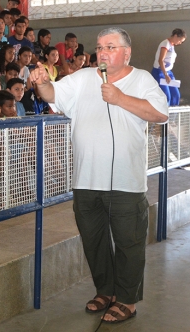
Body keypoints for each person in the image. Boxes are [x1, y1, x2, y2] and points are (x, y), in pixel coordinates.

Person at [30, 27, 168, 323]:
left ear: (126, 53)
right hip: (85, 179)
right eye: (100, 47)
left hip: (125, 181)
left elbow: (160, 113)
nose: (103, 52)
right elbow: (53, 93)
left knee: (129, 242)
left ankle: (127, 300)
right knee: (94, 240)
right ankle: (105, 290)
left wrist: (119, 98)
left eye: (110, 46)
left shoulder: (141, 79)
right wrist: (42, 83)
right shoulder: (82, 78)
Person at [152, 28, 186, 106]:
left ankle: (173, 117)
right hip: (160, 72)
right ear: (175, 36)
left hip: (168, 72)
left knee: (175, 95)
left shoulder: (171, 45)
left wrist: (168, 74)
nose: (180, 43)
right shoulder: (165, 44)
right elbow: (161, 60)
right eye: (180, 40)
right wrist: (165, 74)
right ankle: (165, 116)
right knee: (166, 96)